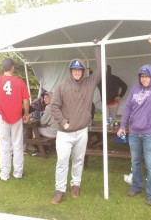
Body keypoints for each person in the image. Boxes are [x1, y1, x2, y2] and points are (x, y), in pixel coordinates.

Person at [117, 34, 151, 206]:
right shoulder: (134, 89)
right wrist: (122, 126)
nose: (144, 79)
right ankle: (137, 186)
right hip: (134, 133)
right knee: (135, 162)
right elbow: (127, 108)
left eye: (147, 76)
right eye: (142, 76)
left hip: (150, 134)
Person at [50, 40, 101, 204]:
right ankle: (59, 190)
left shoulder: (89, 83)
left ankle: (75, 184)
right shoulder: (62, 86)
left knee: (78, 160)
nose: (77, 72)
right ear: (71, 71)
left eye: (80, 70)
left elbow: (100, 70)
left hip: (82, 131)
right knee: (62, 161)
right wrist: (63, 122)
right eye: (75, 70)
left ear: (83, 71)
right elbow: (54, 107)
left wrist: (98, 48)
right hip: (65, 133)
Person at [0, 53, 30, 181]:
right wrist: (26, 114)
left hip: (3, 118)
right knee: (17, 145)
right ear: (12, 68)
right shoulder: (19, 82)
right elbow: (26, 101)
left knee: (5, 146)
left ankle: (4, 175)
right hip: (17, 117)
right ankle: (18, 173)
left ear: (3, 68)